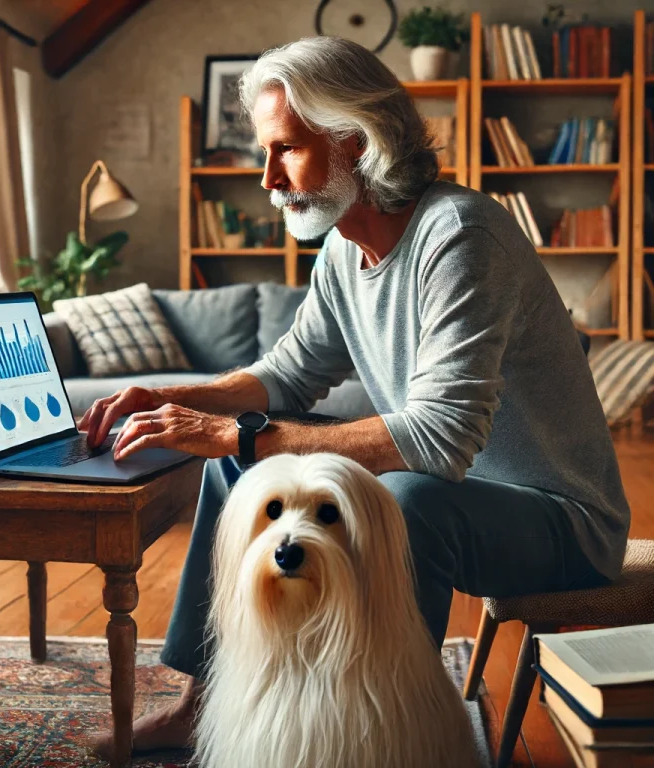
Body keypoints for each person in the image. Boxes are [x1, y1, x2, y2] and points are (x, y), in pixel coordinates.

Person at [86, 36, 630, 756]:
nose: (269, 179)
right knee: (235, 464)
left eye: (286, 150)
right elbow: (288, 374)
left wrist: (241, 434)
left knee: (406, 501)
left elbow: (440, 440)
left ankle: (382, 735)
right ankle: (204, 699)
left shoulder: (460, 237)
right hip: (466, 494)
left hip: (563, 522)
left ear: (357, 139)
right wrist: (172, 398)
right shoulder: (345, 246)